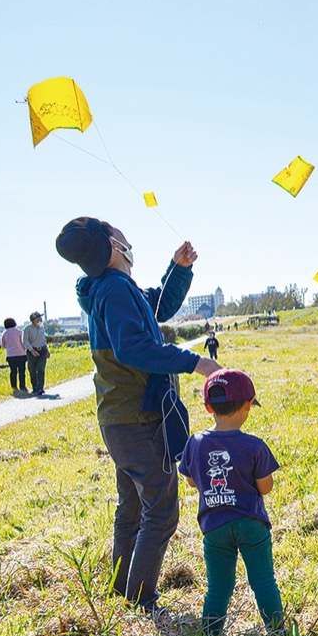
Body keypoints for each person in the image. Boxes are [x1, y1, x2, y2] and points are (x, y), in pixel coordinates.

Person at [55, 216, 222, 613]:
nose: (128, 236)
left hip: (121, 420)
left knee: (131, 508)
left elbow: (157, 307)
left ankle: (122, 590)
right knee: (161, 512)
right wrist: (195, 362)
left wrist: (177, 270)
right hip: (138, 420)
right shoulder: (113, 290)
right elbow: (133, 348)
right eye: (119, 232)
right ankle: (142, 600)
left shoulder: (113, 289)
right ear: (113, 246)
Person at [178, 368, 283, 636]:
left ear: (208, 406)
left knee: (218, 586)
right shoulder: (255, 445)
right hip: (251, 524)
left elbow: (191, 482)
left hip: (214, 526)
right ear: (248, 406)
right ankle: (278, 633)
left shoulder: (196, 442)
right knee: (263, 581)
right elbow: (266, 487)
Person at [23, 312, 50, 396]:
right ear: (33, 320)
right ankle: (35, 387)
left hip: (42, 350)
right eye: (38, 318)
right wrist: (32, 350)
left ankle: (40, 388)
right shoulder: (28, 328)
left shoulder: (42, 328)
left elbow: (43, 339)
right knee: (32, 370)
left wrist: (47, 349)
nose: (40, 320)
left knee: (41, 369)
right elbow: (25, 341)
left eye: (40, 318)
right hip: (32, 351)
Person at [0, 318, 28, 395]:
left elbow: (3, 345)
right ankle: (23, 386)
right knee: (22, 372)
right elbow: (24, 343)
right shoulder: (19, 332)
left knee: (13, 371)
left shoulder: (4, 333)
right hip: (21, 354)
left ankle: (14, 387)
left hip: (10, 355)